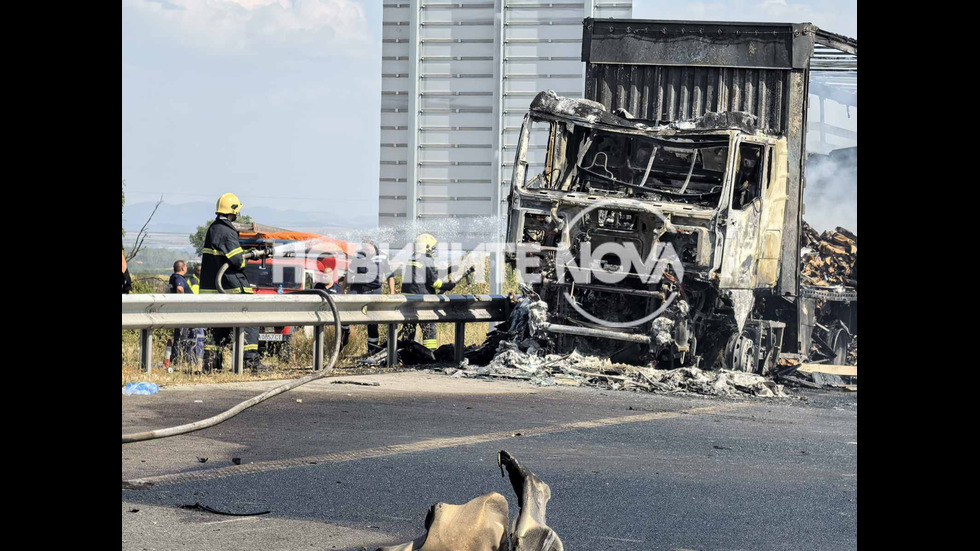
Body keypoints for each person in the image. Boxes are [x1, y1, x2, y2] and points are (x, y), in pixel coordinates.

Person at [199, 193, 266, 373]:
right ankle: (250, 362)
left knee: (218, 328)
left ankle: (212, 365)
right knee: (250, 321)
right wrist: (249, 256)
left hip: (214, 290)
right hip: (231, 287)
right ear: (233, 211)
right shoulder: (227, 231)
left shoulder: (214, 228)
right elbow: (237, 261)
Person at [399, 233, 471, 354]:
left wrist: (447, 270)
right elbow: (434, 282)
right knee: (428, 327)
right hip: (423, 299)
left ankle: (406, 352)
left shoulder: (413, 258)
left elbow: (425, 274)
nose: (433, 250)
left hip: (408, 298)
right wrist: (447, 285)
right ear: (426, 247)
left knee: (409, 327)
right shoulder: (427, 259)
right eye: (432, 247)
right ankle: (430, 353)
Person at [345, 239, 396, 354]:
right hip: (358, 289)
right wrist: (343, 290)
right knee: (346, 313)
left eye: (366, 248)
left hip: (374, 290)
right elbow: (350, 273)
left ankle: (372, 351)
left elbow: (390, 276)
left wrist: (392, 292)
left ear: (372, 246)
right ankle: (345, 337)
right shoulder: (359, 256)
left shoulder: (382, 257)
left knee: (373, 321)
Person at [314, 267, 350, 350]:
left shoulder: (338, 288)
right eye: (323, 275)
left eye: (326, 275)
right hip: (321, 315)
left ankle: (339, 348)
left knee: (345, 329)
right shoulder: (318, 287)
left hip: (335, 315)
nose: (324, 277)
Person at [167, 260, 195, 365]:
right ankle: (179, 359)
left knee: (179, 336)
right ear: (183, 268)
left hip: (178, 311)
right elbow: (179, 289)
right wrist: (184, 303)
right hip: (183, 312)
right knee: (183, 336)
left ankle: (176, 359)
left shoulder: (173, 277)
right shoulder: (178, 278)